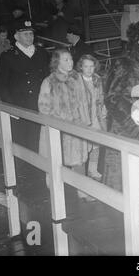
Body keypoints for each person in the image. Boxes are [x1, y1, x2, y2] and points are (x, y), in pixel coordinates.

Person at [103, 22, 139, 207]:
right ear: (135, 44)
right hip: (125, 129)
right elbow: (111, 97)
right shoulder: (123, 64)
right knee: (124, 177)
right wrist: (131, 111)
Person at [38, 49, 93, 200]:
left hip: (76, 127)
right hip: (57, 129)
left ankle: (82, 191)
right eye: (65, 60)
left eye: (70, 59)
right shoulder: (49, 81)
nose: (70, 62)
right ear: (57, 62)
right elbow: (43, 107)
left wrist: (85, 122)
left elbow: (83, 102)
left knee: (79, 160)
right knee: (55, 161)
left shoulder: (77, 77)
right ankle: (54, 190)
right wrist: (60, 119)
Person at [0, 19, 50, 153]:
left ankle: (41, 173)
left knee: (42, 144)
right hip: (20, 108)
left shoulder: (42, 53)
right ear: (16, 36)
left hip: (40, 106)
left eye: (31, 34)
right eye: (25, 34)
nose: (30, 37)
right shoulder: (8, 56)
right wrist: (11, 108)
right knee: (24, 145)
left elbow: (48, 79)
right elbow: (2, 84)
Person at [76, 54, 107, 181]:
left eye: (91, 66)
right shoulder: (77, 80)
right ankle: (82, 173)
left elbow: (101, 96)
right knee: (85, 145)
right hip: (84, 117)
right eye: (86, 66)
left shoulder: (97, 79)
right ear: (81, 67)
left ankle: (92, 169)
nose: (89, 69)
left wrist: (103, 107)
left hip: (96, 116)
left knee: (96, 144)